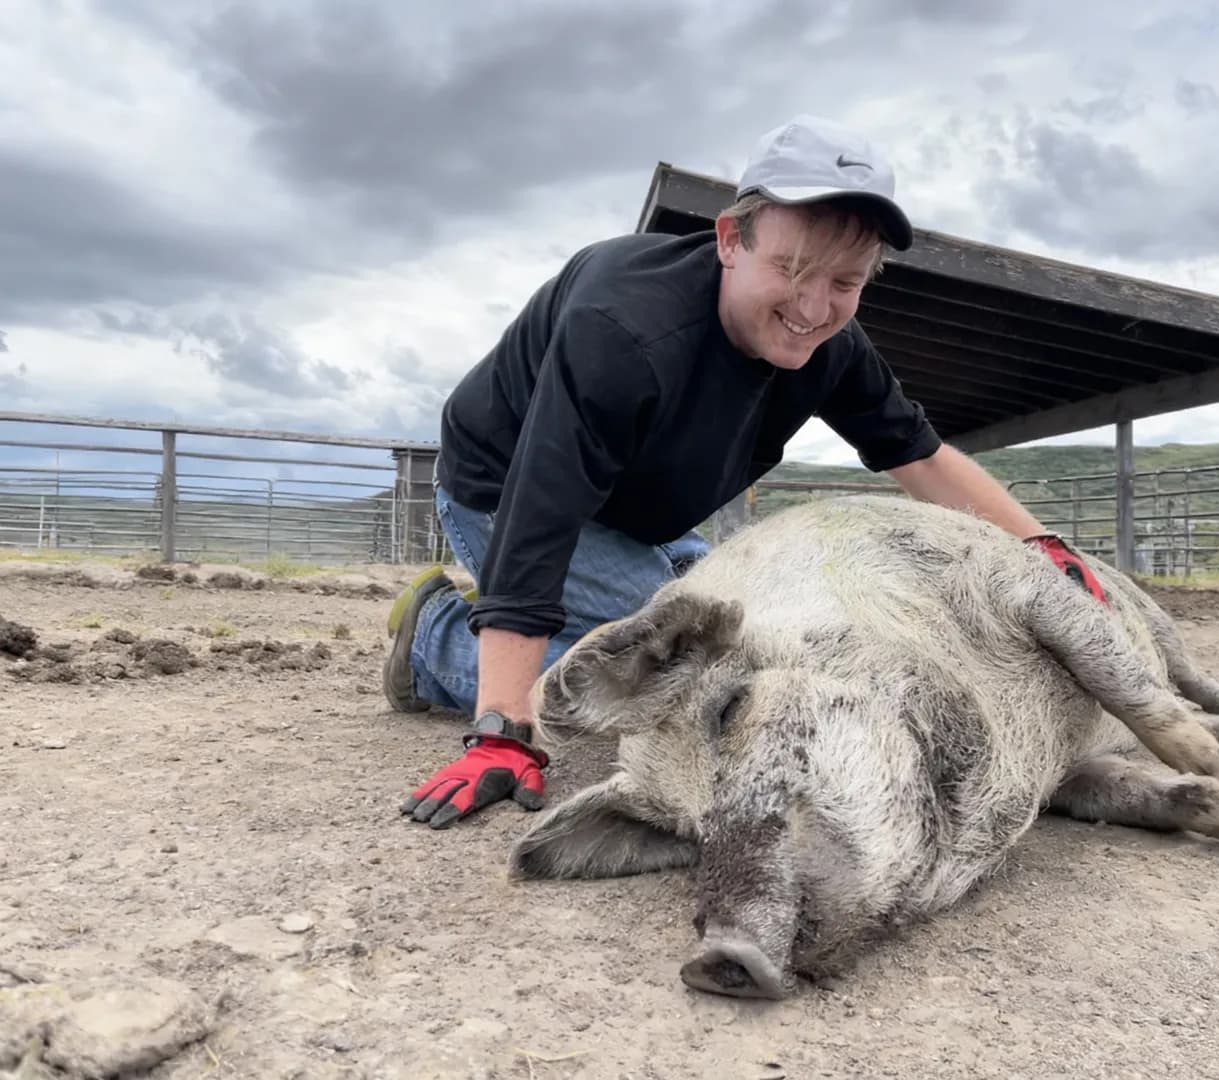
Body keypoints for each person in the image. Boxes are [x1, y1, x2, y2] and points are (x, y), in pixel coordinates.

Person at [384, 114, 1107, 830]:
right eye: (791, 269)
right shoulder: (623, 329)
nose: (813, 308)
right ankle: (436, 643)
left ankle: (501, 627)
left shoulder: (834, 348)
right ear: (732, 240)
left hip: (637, 517)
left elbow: (919, 454)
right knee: (684, 667)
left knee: (755, 631)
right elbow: (538, 516)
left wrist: (1043, 553)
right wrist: (502, 734)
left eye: (846, 282)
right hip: (502, 490)